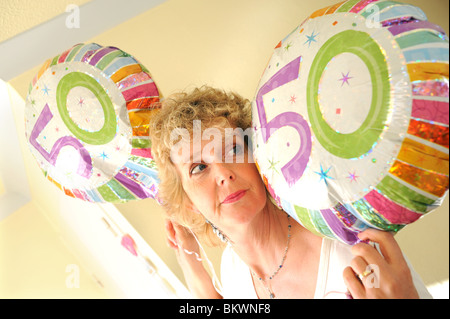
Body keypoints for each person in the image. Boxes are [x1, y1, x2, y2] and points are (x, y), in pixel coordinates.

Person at [149, 86, 432, 299]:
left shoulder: (350, 245)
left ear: (260, 156)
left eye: (234, 149)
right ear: (188, 204)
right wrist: (190, 261)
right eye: (199, 167)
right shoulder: (233, 271)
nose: (224, 173)